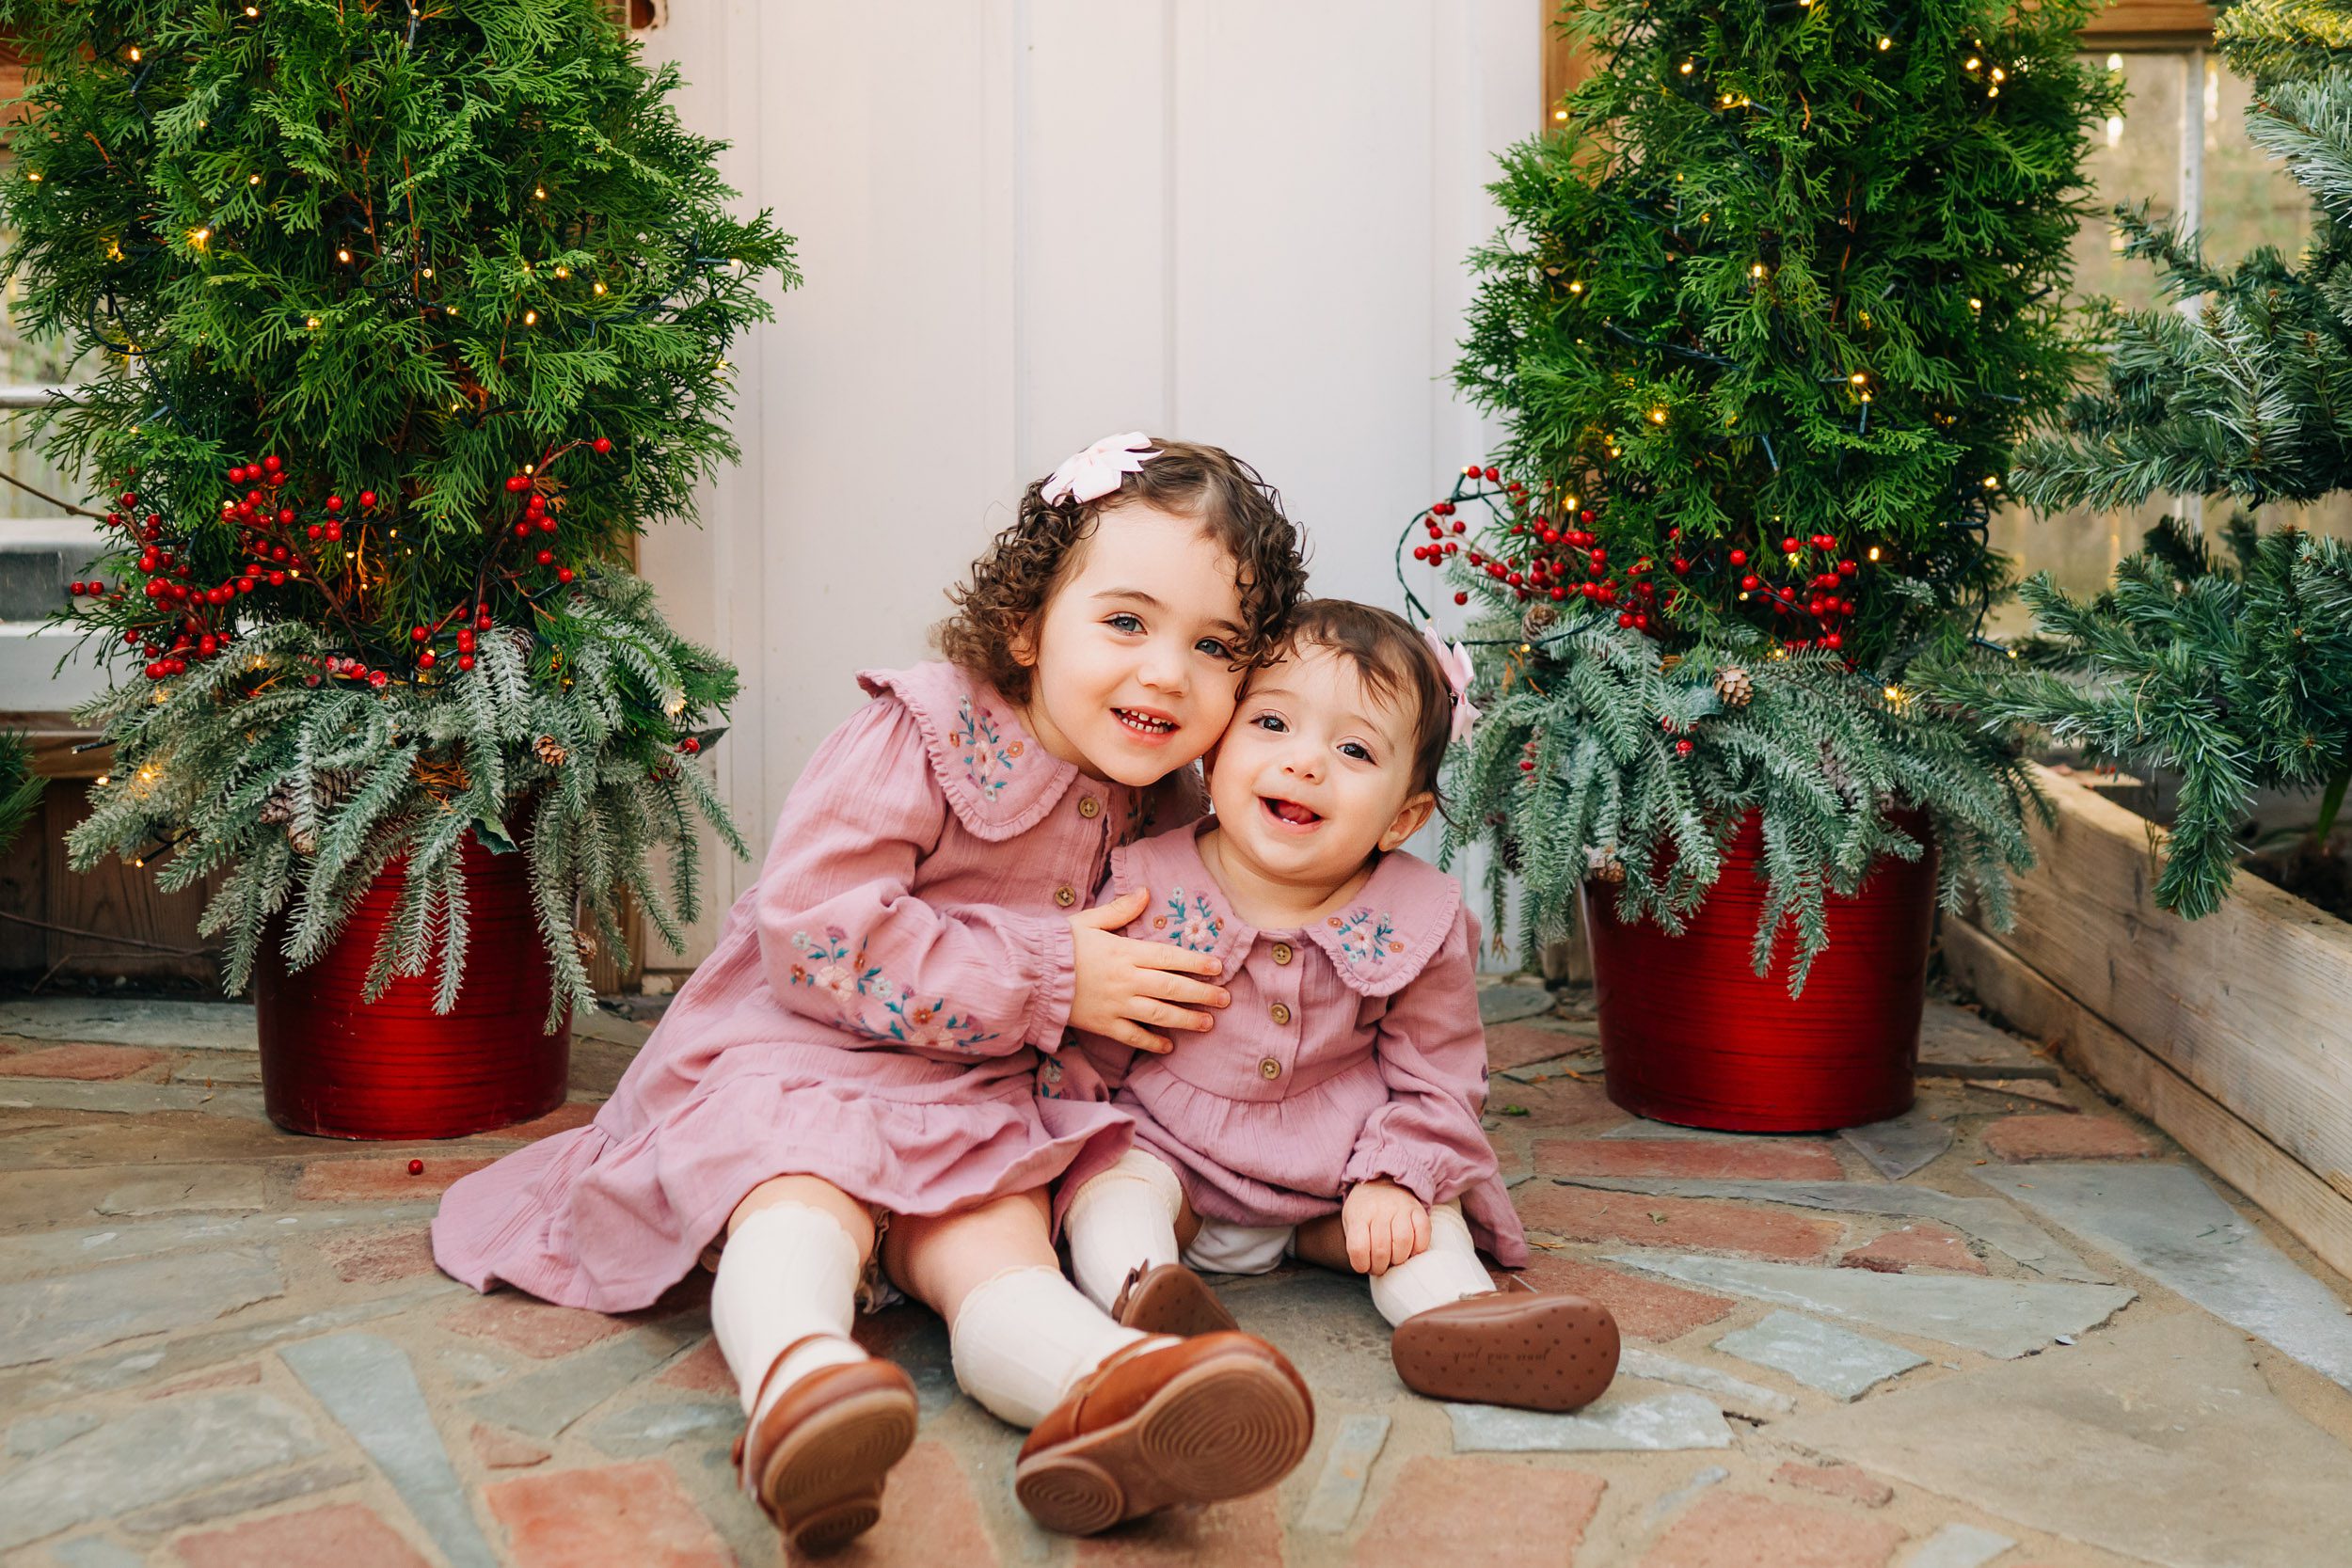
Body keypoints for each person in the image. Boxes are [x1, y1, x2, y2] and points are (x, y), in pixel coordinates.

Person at [433, 434, 1316, 1552]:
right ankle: (799, 1385)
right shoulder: (929, 730)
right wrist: (1054, 973)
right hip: (804, 1057)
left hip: (973, 1099)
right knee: (803, 1199)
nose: (1165, 672)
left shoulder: (1169, 800)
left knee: (995, 1242)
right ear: (1027, 623)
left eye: (1215, 646)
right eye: (1126, 622)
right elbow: (813, 934)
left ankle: (1116, 1387)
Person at [1045, 599, 1620, 1412]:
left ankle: (1461, 1323)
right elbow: (1095, 1048)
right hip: (1175, 1162)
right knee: (1114, 1188)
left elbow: (1440, 1077)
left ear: (1404, 817)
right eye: (1273, 723)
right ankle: (1146, 1308)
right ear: (1214, 754)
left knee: (1422, 1215)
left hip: (1337, 1184)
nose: (1306, 762)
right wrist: (1062, 1141)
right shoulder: (1150, 881)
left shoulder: (1415, 916)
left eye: (1353, 748)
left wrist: (1395, 1174)